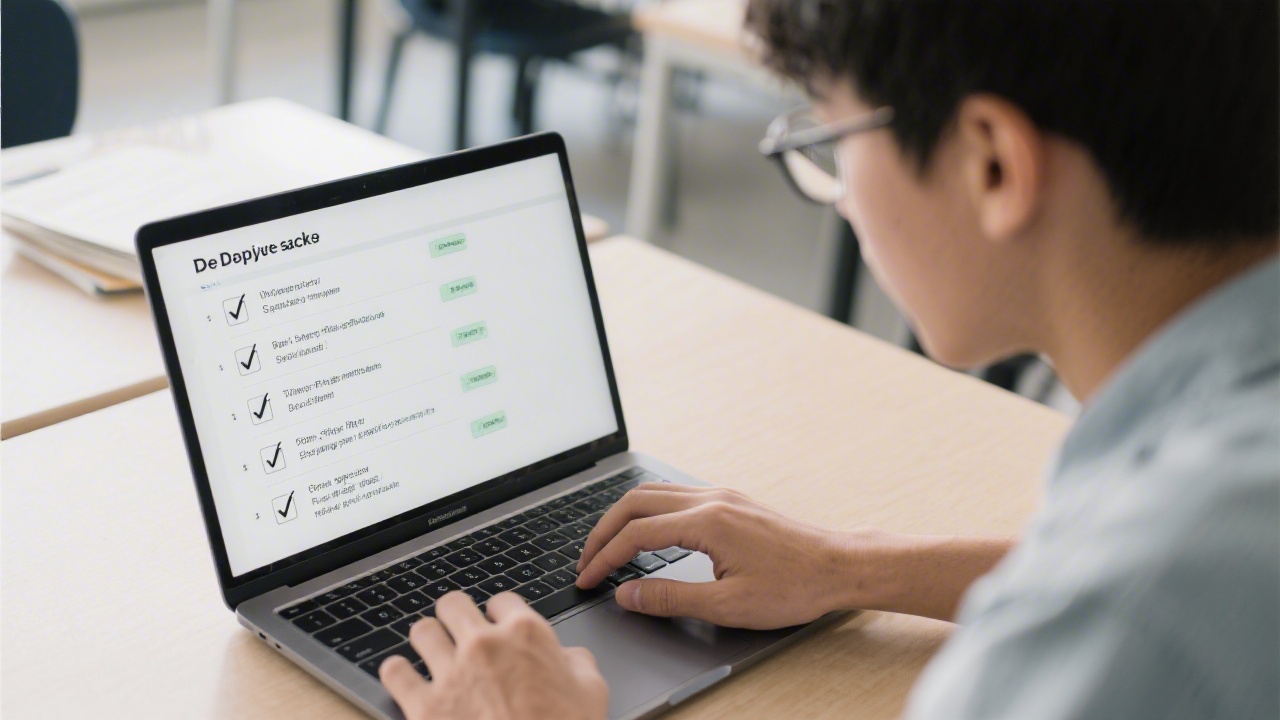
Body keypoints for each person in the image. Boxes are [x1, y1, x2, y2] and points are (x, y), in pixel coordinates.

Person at [378, 1, 1280, 718]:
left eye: (833, 142)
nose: (841, 198)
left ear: (993, 166)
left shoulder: (1110, 627)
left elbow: (1128, 601)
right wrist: (848, 565)